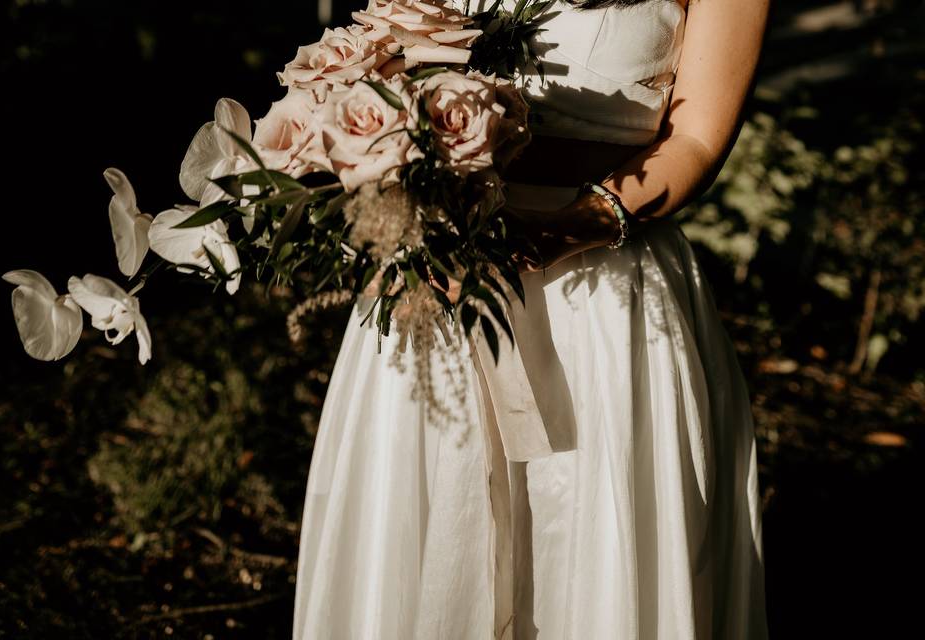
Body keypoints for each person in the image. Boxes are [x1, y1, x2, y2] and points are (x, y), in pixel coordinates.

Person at [293, 0, 771, 638]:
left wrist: (566, 231)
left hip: (605, 290)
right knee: (431, 522)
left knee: (589, 530)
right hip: (434, 270)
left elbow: (699, 136)